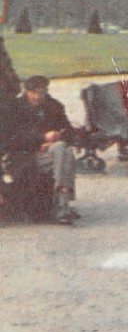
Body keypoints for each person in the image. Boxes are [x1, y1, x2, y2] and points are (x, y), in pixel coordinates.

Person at [13, 76, 80, 224]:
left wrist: (57, 137)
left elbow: (69, 132)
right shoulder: (15, 108)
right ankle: (62, 206)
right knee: (65, 153)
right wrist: (41, 139)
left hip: (53, 154)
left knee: (63, 150)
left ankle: (61, 205)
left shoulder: (54, 106)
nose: (38, 96)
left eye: (42, 92)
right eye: (34, 93)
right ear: (26, 91)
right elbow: (13, 139)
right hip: (26, 155)